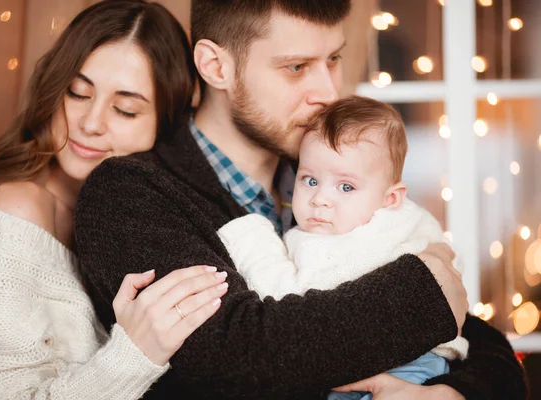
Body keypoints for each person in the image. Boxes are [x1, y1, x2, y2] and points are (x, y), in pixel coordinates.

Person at [74, 1, 527, 399]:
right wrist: (427, 293)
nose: (328, 92)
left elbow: (490, 351)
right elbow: (236, 358)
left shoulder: (331, 176)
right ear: (215, 66)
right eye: (296, 67)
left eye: (333, 59)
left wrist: (452, 393)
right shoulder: (131, 191)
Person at [0, 1, 229, 399]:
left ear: (164, 122)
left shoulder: (150, 217)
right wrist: (136, 353)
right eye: (77, 93)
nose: (91, 124)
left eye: (125, 110)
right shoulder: (17, 208)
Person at [217, 95, 469, 400]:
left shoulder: (320, 243)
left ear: (391, 198)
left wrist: (251, 239)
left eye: (346, 186)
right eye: (310, 180)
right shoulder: (414, 220)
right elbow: (448, 272)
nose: (320, 198)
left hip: (401, 366)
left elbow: (287, 298)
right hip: (429, 358)